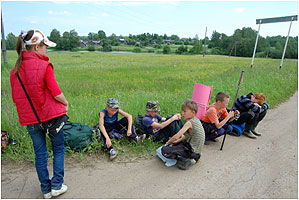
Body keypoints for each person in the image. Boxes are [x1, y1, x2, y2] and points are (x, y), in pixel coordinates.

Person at [10, 30, 69, 199]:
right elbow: (56, 92)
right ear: (37, 46)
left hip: (31, 120)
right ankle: (57, 186)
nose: (46, 50)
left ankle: (45, 189)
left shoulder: (15, 70)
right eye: (45, 46)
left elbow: (16, 98)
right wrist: (65, 103)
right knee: (58, 149)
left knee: (40, 153)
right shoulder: (44, 66)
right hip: (51, 117)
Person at [157, 99, 205, 170]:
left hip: (191, 151)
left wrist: (168, 142)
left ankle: (187, 160)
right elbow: (186, 136)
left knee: (164, 150)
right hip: (197, 151)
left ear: (193, 112)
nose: (183, 113)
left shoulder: (189, 122)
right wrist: (176, 141)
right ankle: (194, 157)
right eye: (182, 111)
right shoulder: (197, 121)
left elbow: (176, 136)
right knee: (178, 144)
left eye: (185, 111)